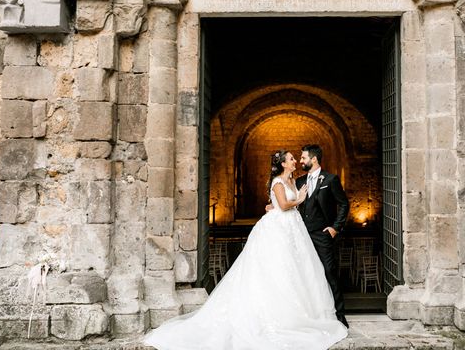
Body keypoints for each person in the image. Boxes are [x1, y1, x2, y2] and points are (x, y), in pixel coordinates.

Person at [143, 150, 348, 350]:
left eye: (298, 158)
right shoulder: (278, 182)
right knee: (276, 269)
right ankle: (274, 316)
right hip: (279, 229)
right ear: (284, 163)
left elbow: (287, 204)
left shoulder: (297, 181)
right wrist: (292, 202)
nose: (296, 160)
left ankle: (319, 315)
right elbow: (284, 204)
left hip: (297, 230)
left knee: (300, 271)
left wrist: (286, 207)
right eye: (292, 158)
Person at [296, 144, 350, 328]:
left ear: (314, 159)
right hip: (302, 235)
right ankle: (311, 316)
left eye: (303, 158)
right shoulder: (299, 181)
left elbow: (344, 204)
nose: (300, 161)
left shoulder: (331, 179)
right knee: (305, 274)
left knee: (329, 272)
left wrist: (335, 228)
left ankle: (340, 316)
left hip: (322, 234)